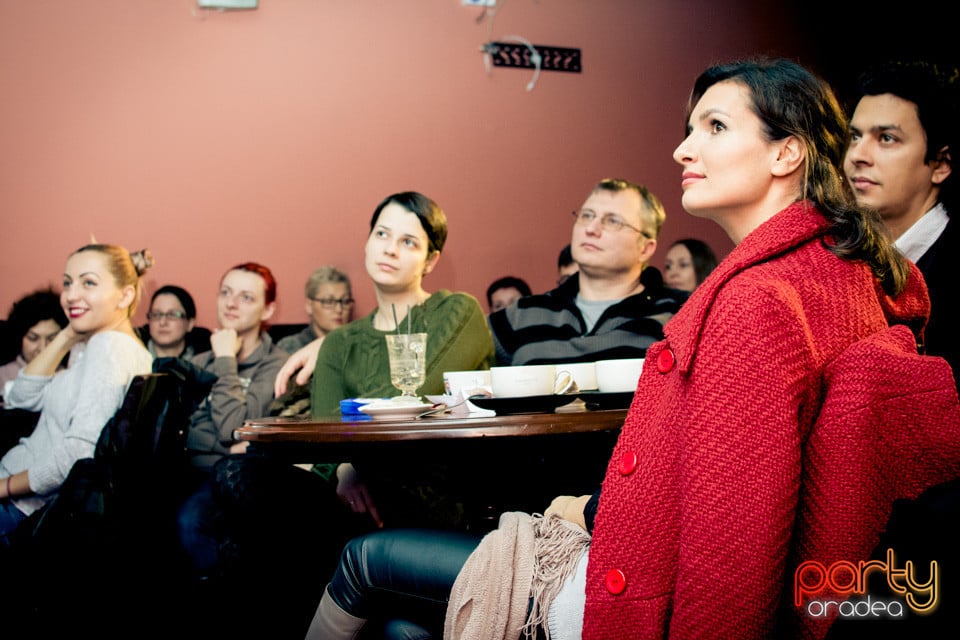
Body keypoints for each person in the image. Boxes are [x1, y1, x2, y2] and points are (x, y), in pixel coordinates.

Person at [303, 58, 960, 640]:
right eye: (688, 129)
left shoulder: (756, 302)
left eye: (713, 128)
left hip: (635, 592)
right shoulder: (835, 273)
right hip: (632, 544)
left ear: (786, 153)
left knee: (364, 560)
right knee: (398, 626)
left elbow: (730, 551)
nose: (681, 149)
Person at [1, 243, 154, 546]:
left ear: (125, 295)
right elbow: (20, 398)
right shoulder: (94, 346)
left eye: (89, 283)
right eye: (68, 283)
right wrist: (68, 334)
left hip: (25, 508)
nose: (71, 295)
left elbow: (78, 456)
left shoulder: (109, 348)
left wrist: (3, 487)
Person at [488, 178, 687, 366]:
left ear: (645, 248)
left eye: (612, 221)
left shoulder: (681, 314)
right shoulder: (522, 313)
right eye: (586, 216)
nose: (591, 229)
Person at [845, 59, 958, 385]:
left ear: (940, 164)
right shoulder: (844, 259)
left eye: (887, 139)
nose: (857, 155)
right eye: (855, 136)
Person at [175, 262, 288, 572]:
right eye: (225, 292)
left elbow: (232, 427)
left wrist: (225, 358)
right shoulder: (198, 362)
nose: (231, 303)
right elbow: (179, 431)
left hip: (231, 479)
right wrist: (225, 444)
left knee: (192, 522)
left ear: (268, 310)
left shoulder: (276, 364)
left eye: (246, 297)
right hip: (184, 469)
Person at [0, 288, 68, 402]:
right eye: (33, 338)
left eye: (52, 339)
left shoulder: (70, 374)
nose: (43, 348)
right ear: (19, 338)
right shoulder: (2, 376)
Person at [277, 265, 353, 354]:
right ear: (309, 306)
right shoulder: (292, 347)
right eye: (329, 301)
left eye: (345, 301)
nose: (339, 309)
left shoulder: (358, 346)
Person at [138, 284, 211, 359]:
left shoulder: (206, 360)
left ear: (190, 324)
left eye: (172, 315)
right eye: (156, 315)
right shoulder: (132, 354)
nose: (162, 322)